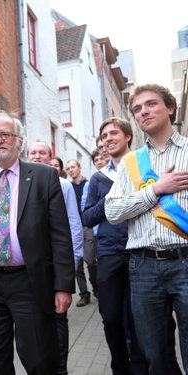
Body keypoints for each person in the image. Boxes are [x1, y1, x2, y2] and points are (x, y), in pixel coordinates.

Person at [0, 112, 75, 375]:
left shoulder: (44, 176)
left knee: (38, 360)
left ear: (19, 141)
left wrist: (63, 286)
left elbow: (60, 235)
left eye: (5, 134)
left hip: (30, 282)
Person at [105, 83, 188, 374]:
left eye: (151, 104)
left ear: (170, 108)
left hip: (186, 260)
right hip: (144, 267)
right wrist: (155, 190)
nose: (143, 112)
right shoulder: (131, 162)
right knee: (156, 356)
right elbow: (112, 211)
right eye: (137, 109)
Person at [83, 117, 149, 375]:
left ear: (128, 137)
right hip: (110, 254)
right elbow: (88, 217)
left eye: (113, 133)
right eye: (103, 136)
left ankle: (141, 368)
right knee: (111, 317)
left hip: (141, 252)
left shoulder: (145, 166)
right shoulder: (98, 179)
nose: (107, 139)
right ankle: (119, 368)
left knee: (139, 318)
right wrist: (110, 198)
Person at [27, 141, 82, 375]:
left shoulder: (62, 185)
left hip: (54, 264)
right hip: (27, 268)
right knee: (32, 322)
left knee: (58, 317)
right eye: (33, 152)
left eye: (42, 152)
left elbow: (73, 224)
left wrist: (73, 261)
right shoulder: (17, 185)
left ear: (51, 158)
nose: (37, 156)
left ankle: (60, 370)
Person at [66, 159, 97, 307]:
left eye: (73, 167)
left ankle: (97, 288)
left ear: (79, 167)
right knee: (77, 264)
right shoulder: (67, 187)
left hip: (87, 227)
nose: (70, 170)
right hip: (72, 229)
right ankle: (84, 294)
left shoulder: (88, 184)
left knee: (90, 261)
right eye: (68, 168)